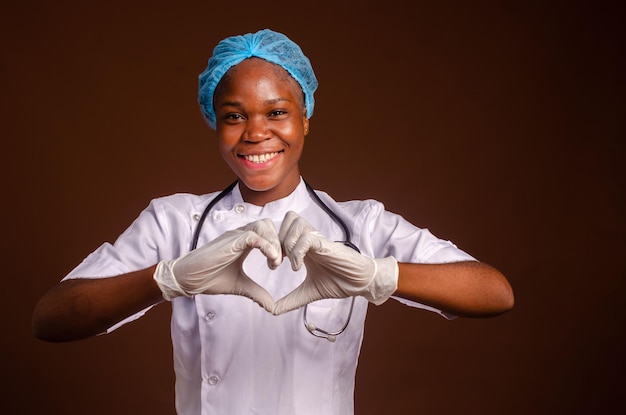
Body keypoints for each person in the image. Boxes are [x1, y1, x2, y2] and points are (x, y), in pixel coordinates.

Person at [32, 29, 514, 414]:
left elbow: (494, 292)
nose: (257, 132)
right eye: (234, 116)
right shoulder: (176, 221)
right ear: (214, 123)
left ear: (305, 118)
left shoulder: (359, 225)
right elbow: (51, 318)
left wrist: (377, 275)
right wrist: (169, 279)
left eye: (277, 112)